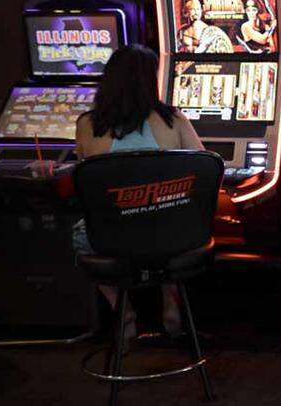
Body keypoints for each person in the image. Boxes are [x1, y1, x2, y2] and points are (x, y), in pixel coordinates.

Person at [72, 44, 205, 340]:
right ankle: (170, 298)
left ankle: (122, 308)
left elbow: (86, 176)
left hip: (111, 238)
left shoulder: (87, 125)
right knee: (171, 217)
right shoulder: (173, 120)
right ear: (149, 81)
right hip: (170, 236)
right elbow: (206, 169)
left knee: (80, 236)